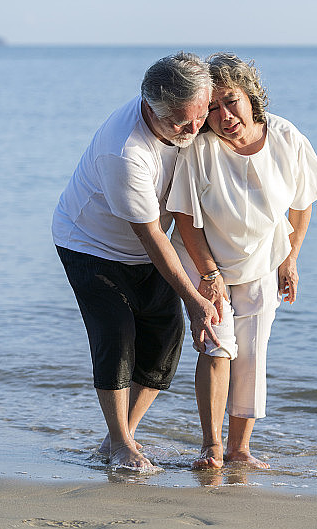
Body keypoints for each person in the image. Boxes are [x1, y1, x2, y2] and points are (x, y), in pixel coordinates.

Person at [52, 52, 222, 472]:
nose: (193, 129)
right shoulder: (125, 152)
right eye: (182, 123)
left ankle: (117, 437)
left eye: (199, 116)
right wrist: (195, 299)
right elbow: (148, 235)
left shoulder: (187, 119)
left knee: (165, 338)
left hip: (147, 245)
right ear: (151, 108)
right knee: (117, 335)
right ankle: (124, 445)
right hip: (90, 244)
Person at [167, 53, 317, 469]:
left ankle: (240, 449)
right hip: (205, 259)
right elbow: (187, 220)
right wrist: (209, 275)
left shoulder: (285, 137)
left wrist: (291, 258)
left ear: (251, 96)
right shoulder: (199, 149)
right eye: (213, 107)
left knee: (252, 354)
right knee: (217, 347)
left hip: (264, 258)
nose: (224, 116)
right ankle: (211, 446)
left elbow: (301, 205)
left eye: (231, 102)